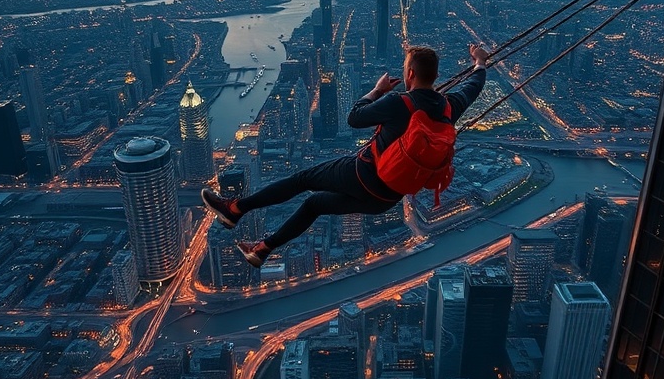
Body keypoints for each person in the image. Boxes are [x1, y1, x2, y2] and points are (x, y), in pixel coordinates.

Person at [201, 43, 490, 267]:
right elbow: (474, 85)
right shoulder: (451, 107)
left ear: (410, 74)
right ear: (436, 75)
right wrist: (480, 62)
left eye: (405, 69)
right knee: (314, 205)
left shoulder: (398, 101)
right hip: (387, 199)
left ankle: (235, 209)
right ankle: (262, 249)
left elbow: (354, 117)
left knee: (302, 180)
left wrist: (376, 91)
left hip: (362, 176)